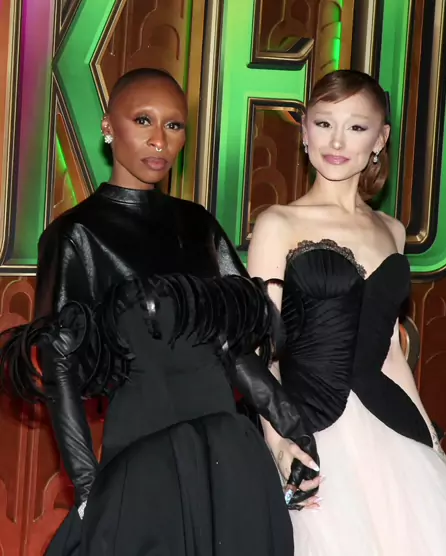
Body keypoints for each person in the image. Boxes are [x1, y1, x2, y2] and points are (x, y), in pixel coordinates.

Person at [0, 68, 320, 555]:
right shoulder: (77, 234)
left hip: (229, 452)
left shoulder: (197, 225)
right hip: (147, 460)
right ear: (108, 127)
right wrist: (88, 490)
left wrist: (288, 431)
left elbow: (229, 350)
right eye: (143, 120)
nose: (159, 139)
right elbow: (60, 370)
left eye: (174, 125)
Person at [247, 69, 446, 555]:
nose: (337, 141)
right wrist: (279, 440)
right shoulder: (278, 223)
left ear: (380, 139)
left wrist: (429, 438)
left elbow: (389, 349)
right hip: (310, 429)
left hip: (391, 430)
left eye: (356, 127)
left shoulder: (391, 231)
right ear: (305, 131)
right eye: (324, 123)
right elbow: (263, 350)